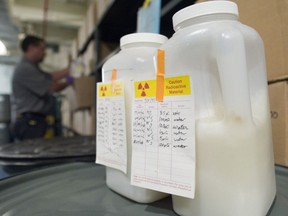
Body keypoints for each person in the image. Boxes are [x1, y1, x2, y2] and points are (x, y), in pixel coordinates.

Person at [11, 35, 74, 141]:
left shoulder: (31, 67)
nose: (44, 53)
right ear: (31, 48)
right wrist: (71, 80)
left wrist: (70, 69)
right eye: (42, 49)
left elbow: (51, 77)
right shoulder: (25, 68)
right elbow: (52, 87)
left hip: (33, 122)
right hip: (30, 124)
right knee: (33, 155)